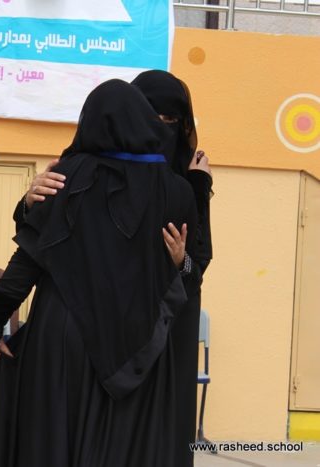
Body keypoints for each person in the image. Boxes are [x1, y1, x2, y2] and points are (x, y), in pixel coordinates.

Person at [0, 79, 198, 466]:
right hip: (136, 341)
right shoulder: (176, 190)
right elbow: (184, 268)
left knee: (52, 439)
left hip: (63, 334)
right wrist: (183, 264)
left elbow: (27, 261)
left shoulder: (64, 177)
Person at [132, 69, 213, 466]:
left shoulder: (191, 176)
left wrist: (198, 189)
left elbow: (199, 260)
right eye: (152, 117)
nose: (161, 129)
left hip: (175, 314)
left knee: (168, 420)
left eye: (171, 121)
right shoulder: (103, 163)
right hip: (124, 309)